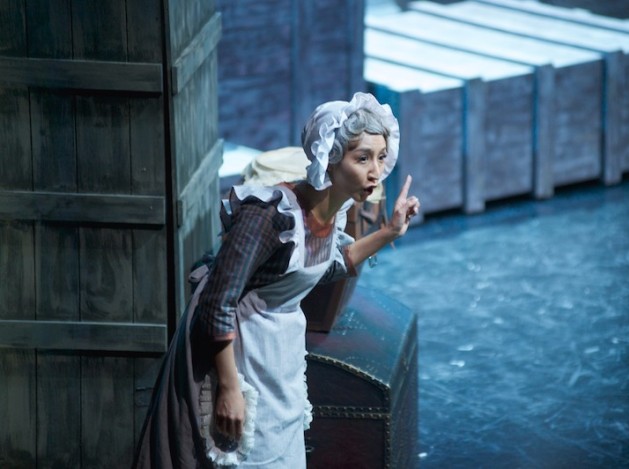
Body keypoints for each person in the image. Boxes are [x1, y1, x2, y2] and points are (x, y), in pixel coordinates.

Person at [133, 92, 420, 468]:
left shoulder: (330, 213)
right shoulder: (271, 216)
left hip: (278, 352)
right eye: (362, 158)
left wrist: (390, 232)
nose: (375, 171)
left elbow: (324, 267)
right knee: (243, 452)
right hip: (238, 352)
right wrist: (229, 388)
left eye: (381, 157)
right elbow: (217, 301)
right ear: (330, 158)